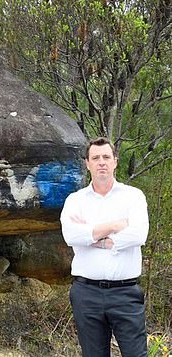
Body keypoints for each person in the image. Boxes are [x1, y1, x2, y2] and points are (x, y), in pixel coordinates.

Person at [61, 136, 149, 357]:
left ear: (115, 161)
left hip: (125, 293)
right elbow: (71, 235)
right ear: (88, 163)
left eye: (106, 157)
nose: (102, 162)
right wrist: (115, 226)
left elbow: (138, 234)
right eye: (96, 157)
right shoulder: (75, 200)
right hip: (86, 293)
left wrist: (91, 234)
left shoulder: (133, 197)